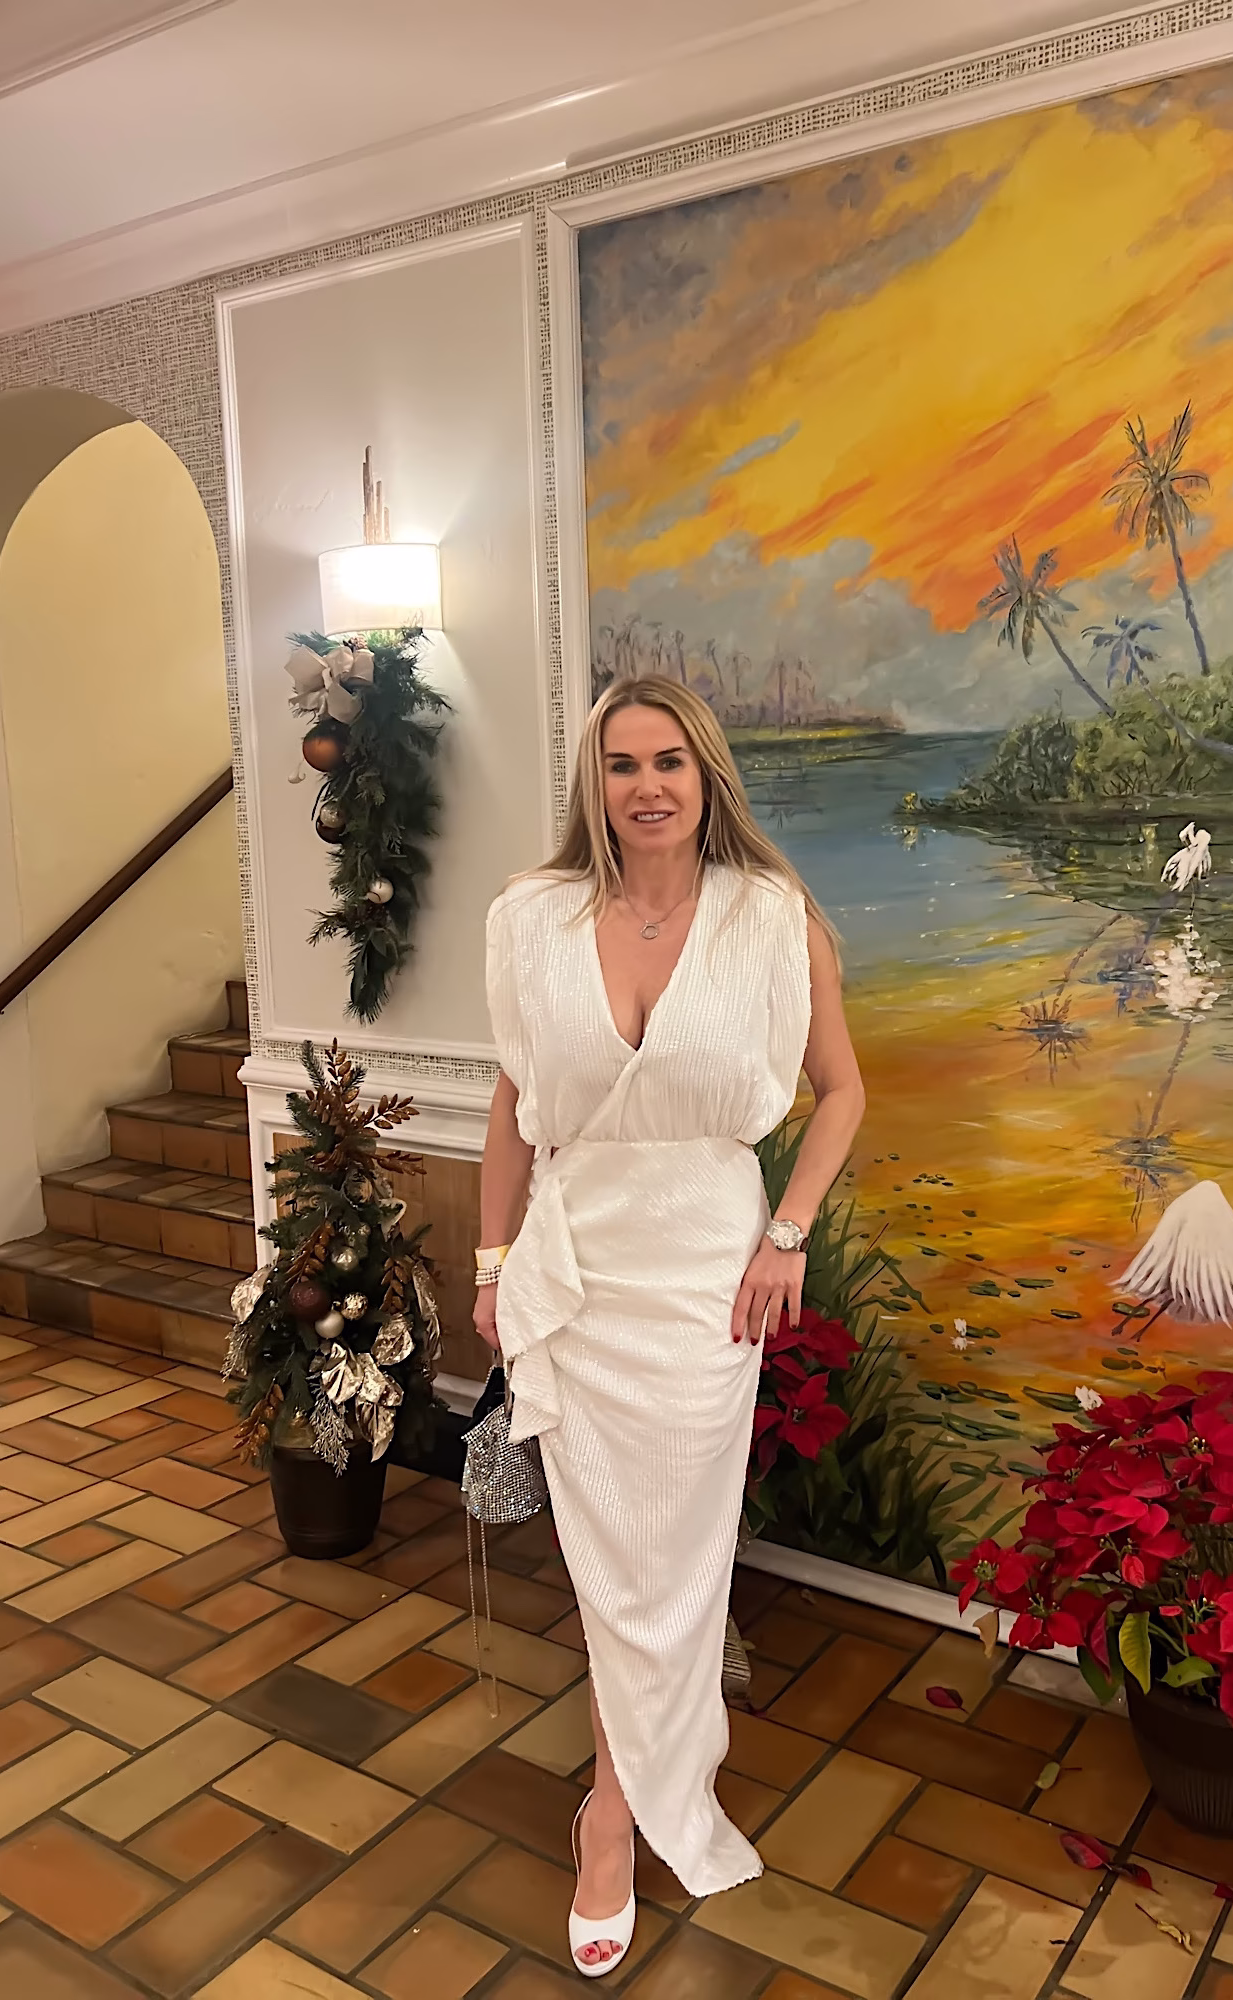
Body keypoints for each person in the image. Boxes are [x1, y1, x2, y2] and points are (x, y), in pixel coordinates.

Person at [474, 674, 865, 1977]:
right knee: (606, 1560)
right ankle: (611, 1810)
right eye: (623, 764)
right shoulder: (532, 918)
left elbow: (842, 1091)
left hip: (707, 1275)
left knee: (675, 1558)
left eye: (670, 763)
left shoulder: (770, 916)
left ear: (706, 778)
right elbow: (512, 1103)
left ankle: (626, 1798)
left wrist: (785, 1235)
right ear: (594, 785)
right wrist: (491, 1260)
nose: (647, 786)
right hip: (581, 1270)